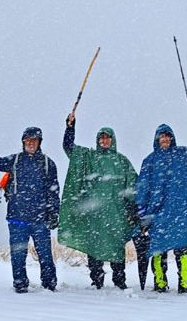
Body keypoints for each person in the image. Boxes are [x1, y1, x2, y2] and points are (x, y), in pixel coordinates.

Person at [59, 113, 138, 289]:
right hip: (94, 214)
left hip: (116, 215)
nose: (104, 141)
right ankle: (97, 280)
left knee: (117, 248)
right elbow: (69, 148)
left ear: (113, 140)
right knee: (94, 246)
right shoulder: (89, 157)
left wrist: (134, 209)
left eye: (107, 138)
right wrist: (70, 128)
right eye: (101, 138)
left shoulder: (122, 161)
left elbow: (133, 185)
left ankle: (119, 280)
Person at [0, 127, 59, 292]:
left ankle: (49, 284)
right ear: (23, 142)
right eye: (28, 140)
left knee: (45, 255)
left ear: (39, 143)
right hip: (17, 219)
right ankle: (20, 284)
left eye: (34, 140)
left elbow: (53, 191)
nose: (31, 143)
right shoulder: (15, 160)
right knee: (18, 255)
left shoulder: (48, 163)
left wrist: (54, 213)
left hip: (40, 219)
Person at [135, 124, 187, 293]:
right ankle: (160, 283)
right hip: (158, 212)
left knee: (181, 248)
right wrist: (142, 211)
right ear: (157, 139)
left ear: (172, 138)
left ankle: (184, 283)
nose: (165, 139)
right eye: (162, 136)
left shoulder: (183, 154)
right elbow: (142, 187)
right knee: (158, 248)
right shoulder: (150, 161)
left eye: (167, 136)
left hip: (181, 211)